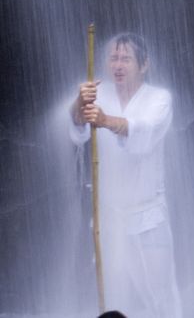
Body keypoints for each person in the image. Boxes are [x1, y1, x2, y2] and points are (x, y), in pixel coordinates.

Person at [70, 32, 182, 318]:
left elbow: (144, 131)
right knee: (111, 295)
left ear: (143, 65)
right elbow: (77, 127)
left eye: (126, 59)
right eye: (113, 58)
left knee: (160, 296)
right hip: (109, 219)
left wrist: (105, 120)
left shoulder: (160, 99)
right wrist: (79, 105)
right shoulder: (98, 94)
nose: (118, 65)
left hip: (148, 217)